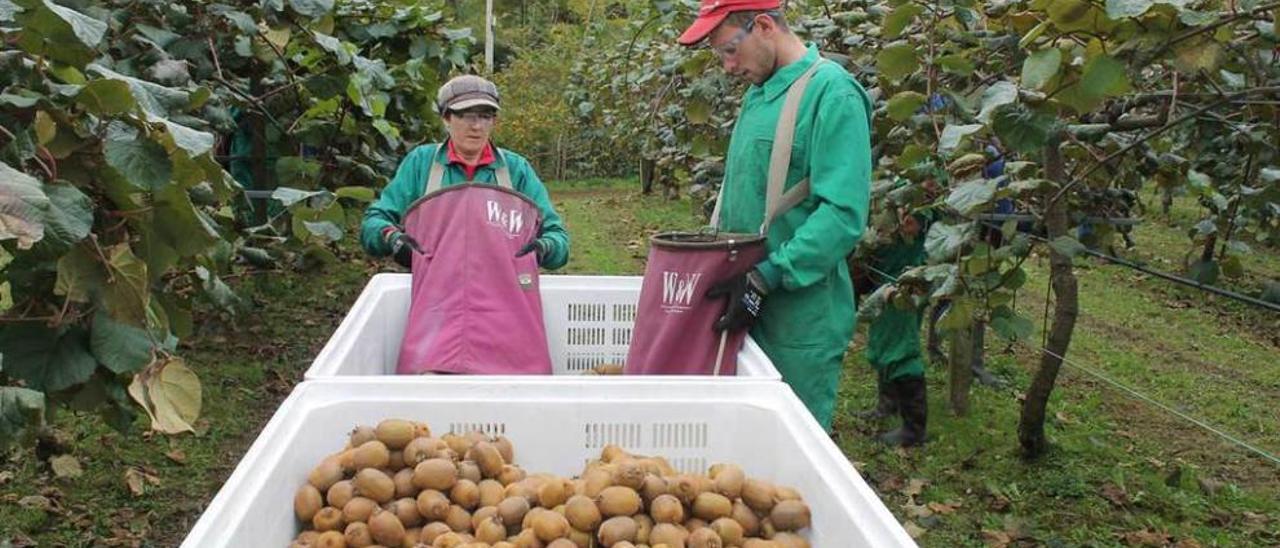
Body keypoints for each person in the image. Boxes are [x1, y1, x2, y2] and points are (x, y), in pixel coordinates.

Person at [678, 0, 873, 431]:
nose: (728, 67)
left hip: (797, 317)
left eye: (730, 50)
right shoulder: (759, 94)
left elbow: (842, 214)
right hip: (744, 298)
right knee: (738, 438)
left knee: (787, 444)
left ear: (764, 26)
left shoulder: (832, 94)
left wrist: (769, 274)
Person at [359, 74, 570, 374]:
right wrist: (394, 239)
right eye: (467, 115)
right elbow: (374, 221)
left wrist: (544, 246)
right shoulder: (421, 165)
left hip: (509, 320)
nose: (477, 125)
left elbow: (557, 237)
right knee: (428, 407)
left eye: (486, 116)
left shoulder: (516, 170)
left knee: (517, 405)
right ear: (446, 118)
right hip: (436, 317)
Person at [854, 210, 930, 446]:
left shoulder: (926, 188)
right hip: (886, 272)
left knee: (900, 344)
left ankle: (914, 428)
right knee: (882, 337)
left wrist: (915, 220)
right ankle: (888, 404)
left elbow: (926, 211)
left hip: (905, 279)